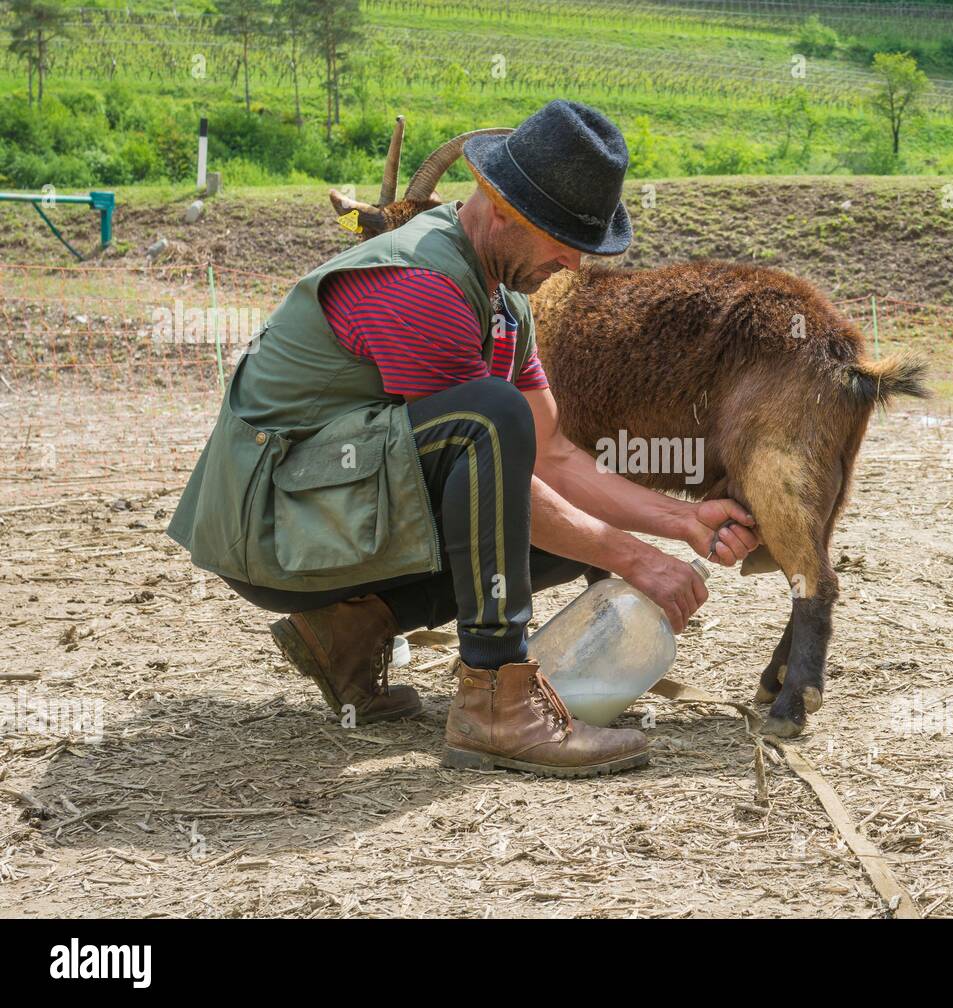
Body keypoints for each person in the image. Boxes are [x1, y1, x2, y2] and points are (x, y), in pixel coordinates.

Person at [167, 100, 759, 778]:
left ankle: (349, 631)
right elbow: (494, 446)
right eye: (560, 236)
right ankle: (496, 703)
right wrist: (631, 556)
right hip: (267, 529)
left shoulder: (506, 303)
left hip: (326, 511)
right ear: (499, 205)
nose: (571, 261)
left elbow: (554, 455)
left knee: (550, 516)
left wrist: (683, 521)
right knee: (491, 417)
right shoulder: (422, 283)